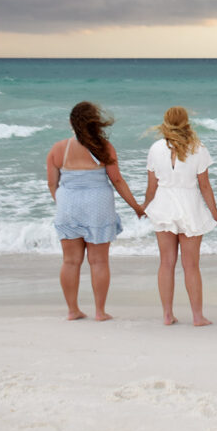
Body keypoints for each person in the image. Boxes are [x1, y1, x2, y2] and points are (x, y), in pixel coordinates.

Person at [45, 101, 143, 321]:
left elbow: (53, 184)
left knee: (70, 261)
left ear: (72, 123)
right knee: (99, 261)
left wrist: (62, 202)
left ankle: (72, 310)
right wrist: (136, 206)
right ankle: (100, 311)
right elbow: (117, 180)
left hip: (68, 204)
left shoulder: (58, 149)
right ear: (94, 121)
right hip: (97, 205)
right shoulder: (103, 147)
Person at [141, 106, 217, 327]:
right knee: (191, 266)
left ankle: (167, 315)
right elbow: (205, 186)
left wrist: (144, 206)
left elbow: (151, 187)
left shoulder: (155, 148)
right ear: (187, 122)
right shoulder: (198, 148)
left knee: (166, 263)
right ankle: (197, 316)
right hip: (190, 206)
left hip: (163, 204)